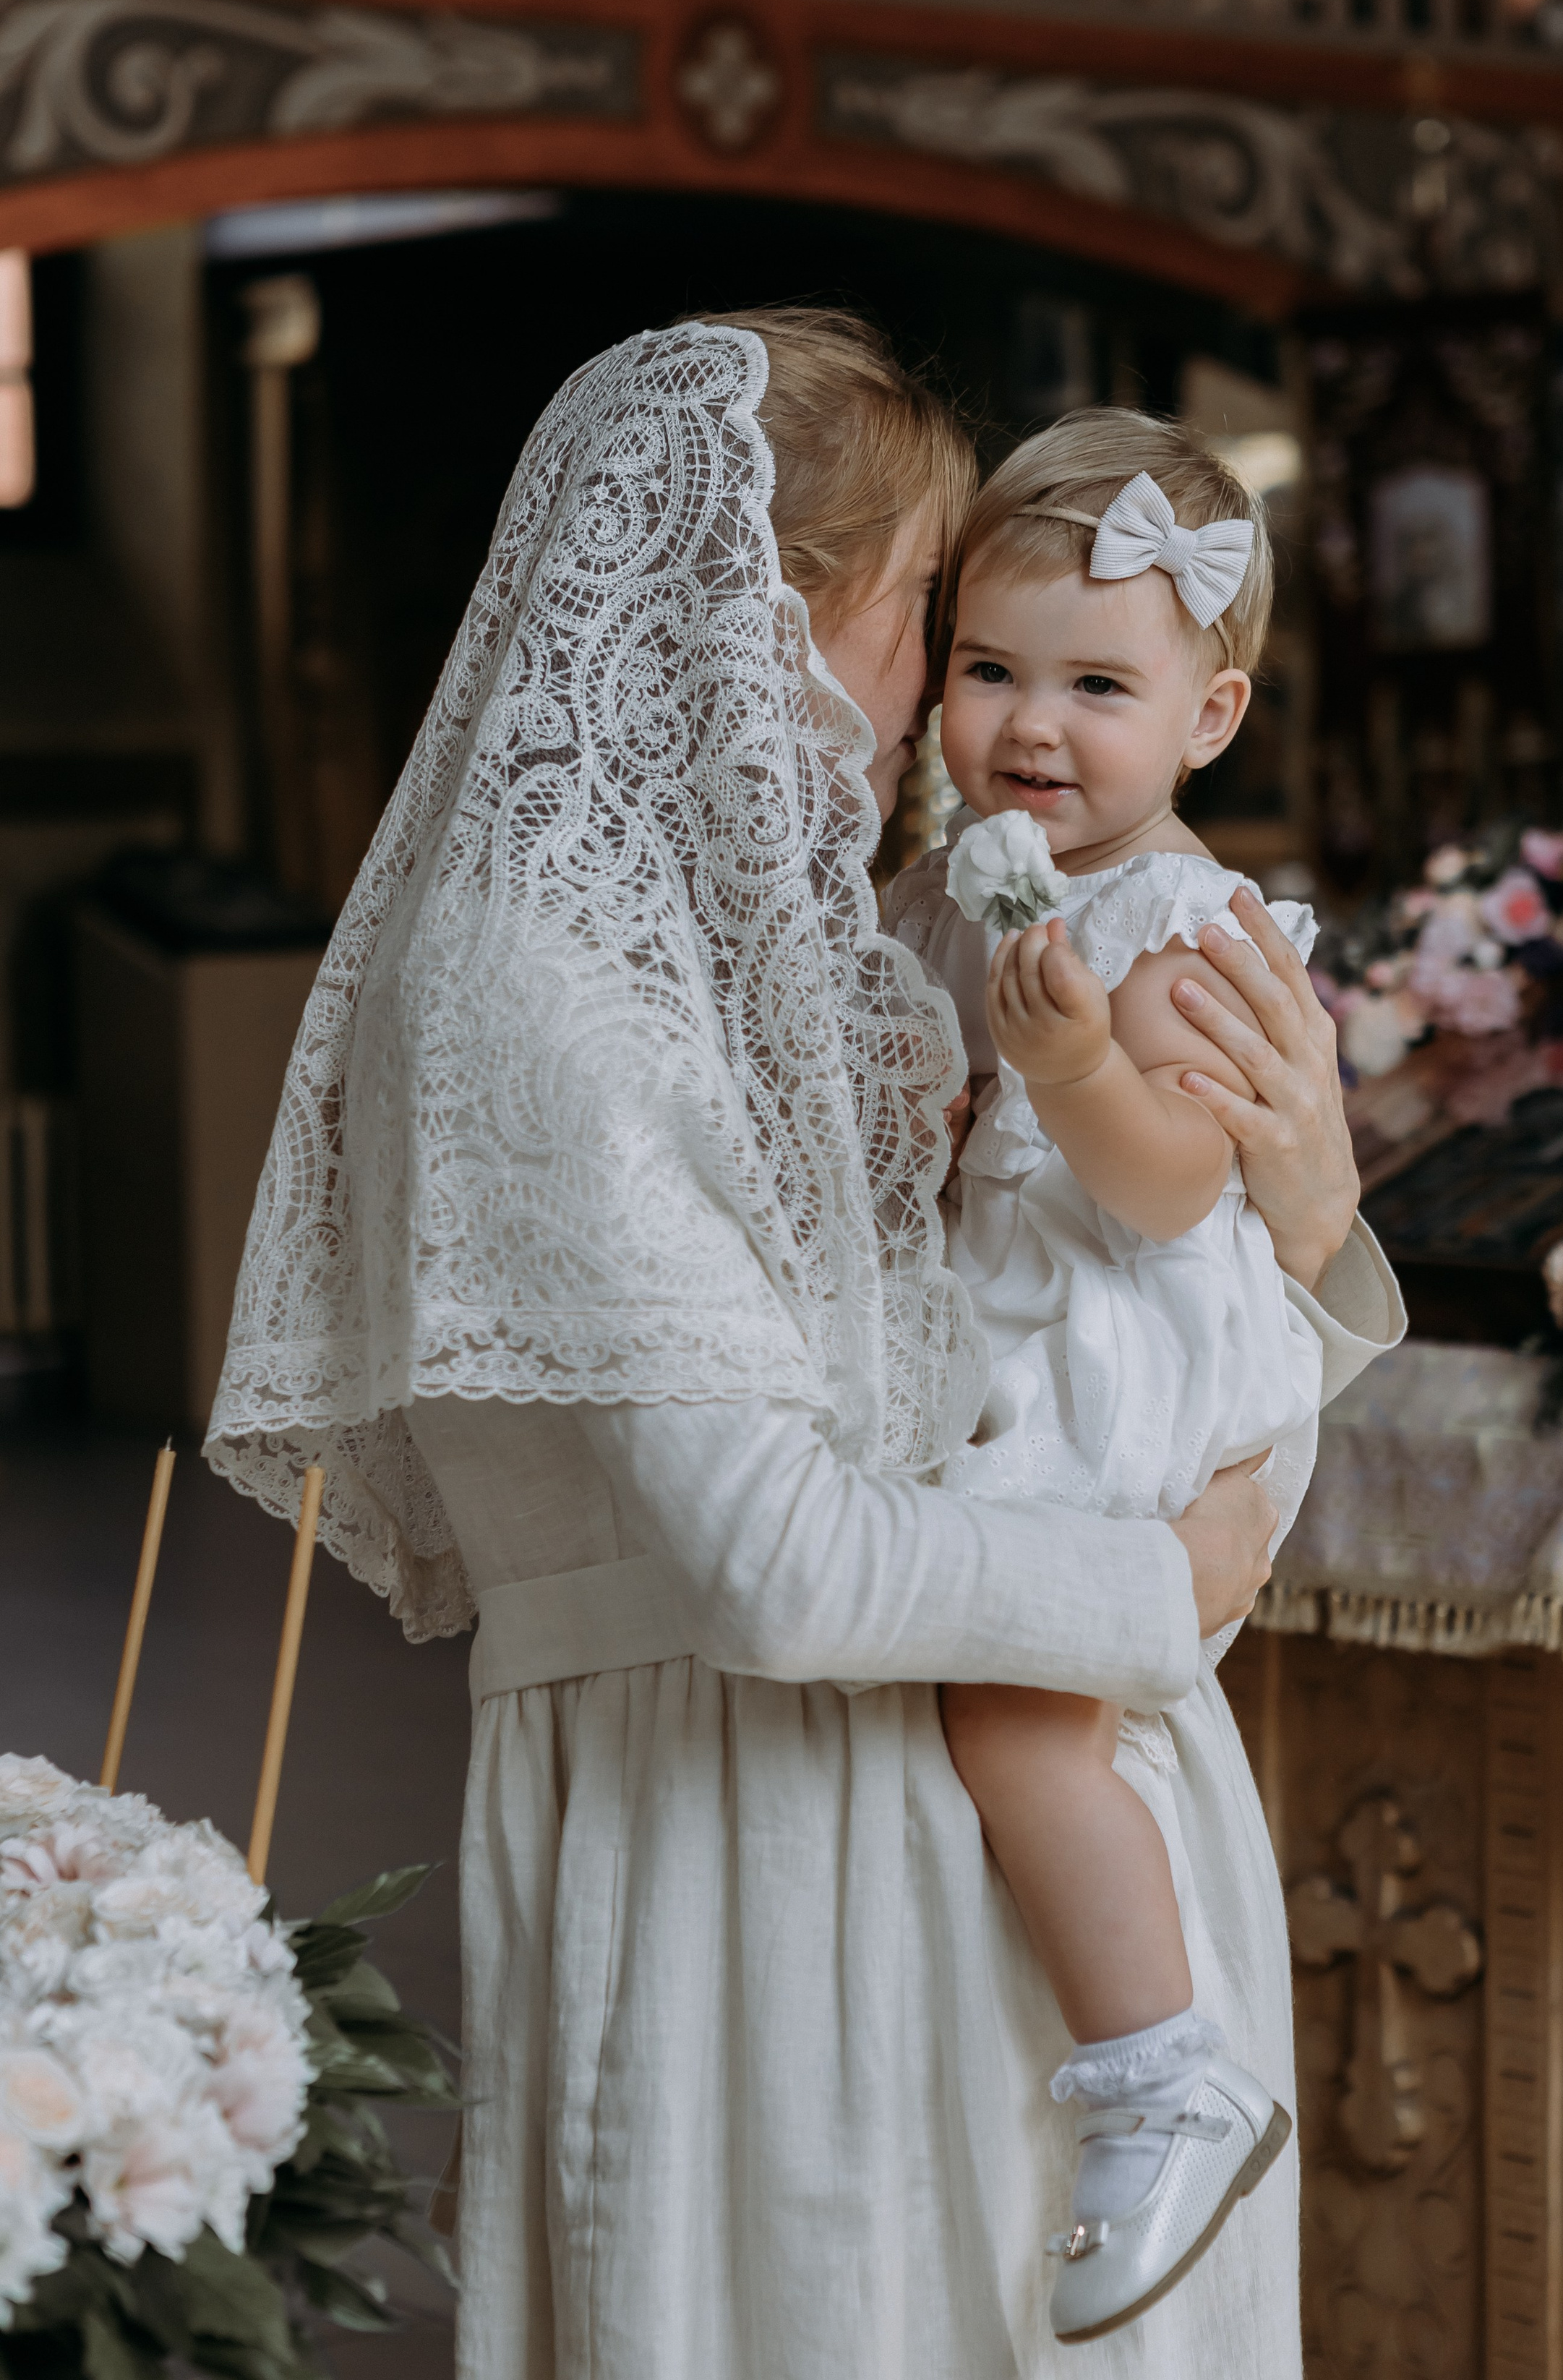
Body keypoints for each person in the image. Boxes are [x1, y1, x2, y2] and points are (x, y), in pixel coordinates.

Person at [205, 310, 1402, 2379]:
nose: (962, 700)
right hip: (760, 1866)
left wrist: (1311, 1215)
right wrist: (1167, 1578)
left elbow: (1087, 1329)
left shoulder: (820, 935)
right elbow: (775, 1557)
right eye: (941, 623)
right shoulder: (543, 978)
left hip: (1020, 1821)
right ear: (772, 607)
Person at [886, 412, 1345, 2342]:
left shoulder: (1174, 923)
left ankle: (1166, 2056)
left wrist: (1070, 1067)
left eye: (1098, 683)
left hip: (1112, 1350)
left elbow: (1169, 1194)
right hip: (1013, 1327)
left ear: (1211, 714)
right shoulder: (982, 881)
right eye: (990, 669)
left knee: (1019, 1714)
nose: (1032, 726)